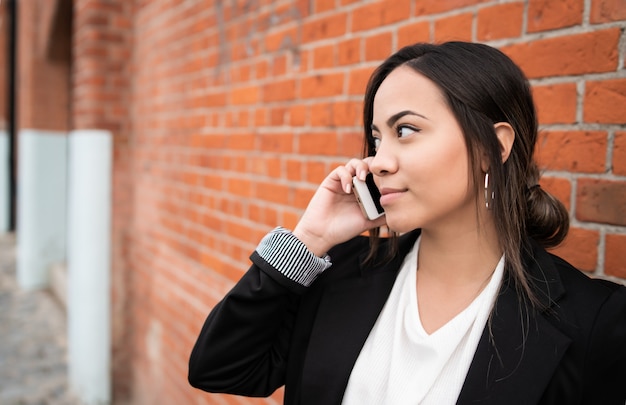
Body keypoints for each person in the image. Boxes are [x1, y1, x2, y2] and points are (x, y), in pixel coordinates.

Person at [188, 42, 626, 404]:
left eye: (406, 131)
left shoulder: (593, 320)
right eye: (377, 138)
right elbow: (222, 368)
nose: (378, 161)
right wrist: (309, 240)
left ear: (494, 145)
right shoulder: (342, 272)